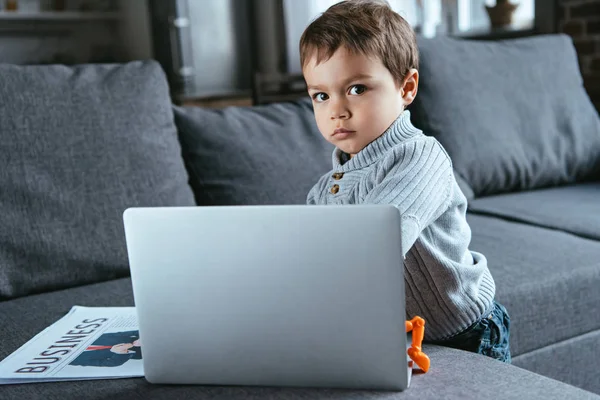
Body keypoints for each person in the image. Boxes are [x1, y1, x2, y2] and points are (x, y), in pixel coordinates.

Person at [301, 0, 510, 362]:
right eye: (321, 95)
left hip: (466, 330)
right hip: (406, 333)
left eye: (356, 89)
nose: (336, 109)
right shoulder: (323, 190)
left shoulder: (419, 156)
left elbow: (381, 240)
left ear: (406, 87)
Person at [70, 331, 142, 367]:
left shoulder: (80, 337)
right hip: (140, 353)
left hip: (138, 338)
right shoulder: (74, 360)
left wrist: (141, 335)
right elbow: (111, 363)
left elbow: (119, 334)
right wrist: (120, 353)